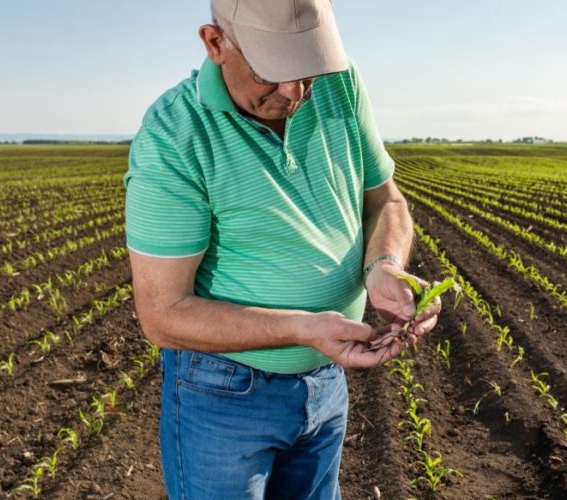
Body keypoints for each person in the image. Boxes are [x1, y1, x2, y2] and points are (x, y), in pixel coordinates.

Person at [123, 0, 441, 497]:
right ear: (215, 43)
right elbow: (162, 313)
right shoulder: (175, 133)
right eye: (274, 71)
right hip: (224, 393)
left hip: (324, 383)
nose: (296, 91)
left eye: (308, 69)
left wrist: (384, 266)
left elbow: (386, 201)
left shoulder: (339, 82)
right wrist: (300, 328)